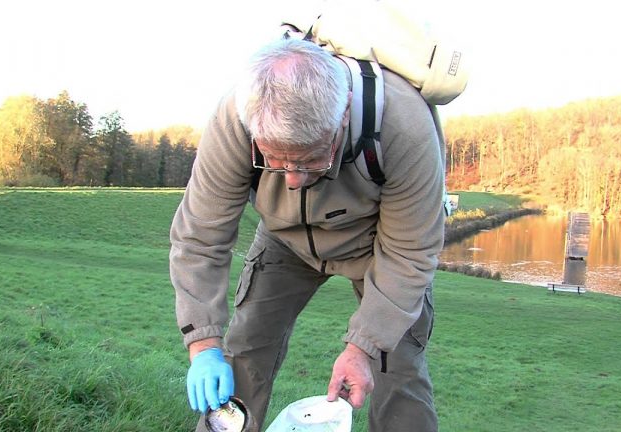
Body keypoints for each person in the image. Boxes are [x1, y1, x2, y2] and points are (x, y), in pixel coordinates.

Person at [170, 38, 445, 432]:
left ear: (345, 112)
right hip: (284, 239)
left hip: (376, 247)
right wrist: (203, 344)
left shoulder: (405, 125)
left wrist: (362, 348)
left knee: (398, 370)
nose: (294, 179)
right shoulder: (236, 118)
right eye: (275, 160)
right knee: (244, 352)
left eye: (312, 157)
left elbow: (410, 254)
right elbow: (200, 238)